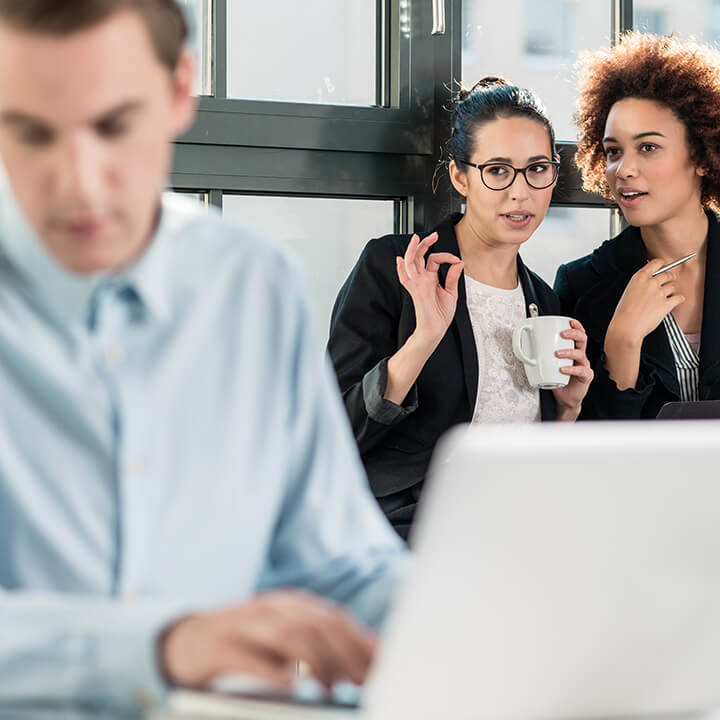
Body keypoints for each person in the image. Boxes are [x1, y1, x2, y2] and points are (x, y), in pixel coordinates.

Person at [0, 0, 406, 710]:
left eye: (114, 126)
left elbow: (336, 561)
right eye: (30, 134)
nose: (81, 183)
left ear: (180, 91)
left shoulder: (251, 285)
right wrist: (161, 645)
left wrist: (475, 620)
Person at [327, 78, 593, 539]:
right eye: (497, 170)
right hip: (408, 535)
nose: (520, 192)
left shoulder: (545, 303)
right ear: (460, 177)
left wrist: (566, 411)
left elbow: (533, 463)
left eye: (537, 169)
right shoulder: (397, 269)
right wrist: (424, 337)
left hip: (515, 533)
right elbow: (334, 434)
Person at [554, 33, 720, 419]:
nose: (623, 170)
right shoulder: (581, 285)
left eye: (648, 147)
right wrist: (622, 342)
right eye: (613, 152)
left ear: (702, 156)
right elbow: (590, 449)